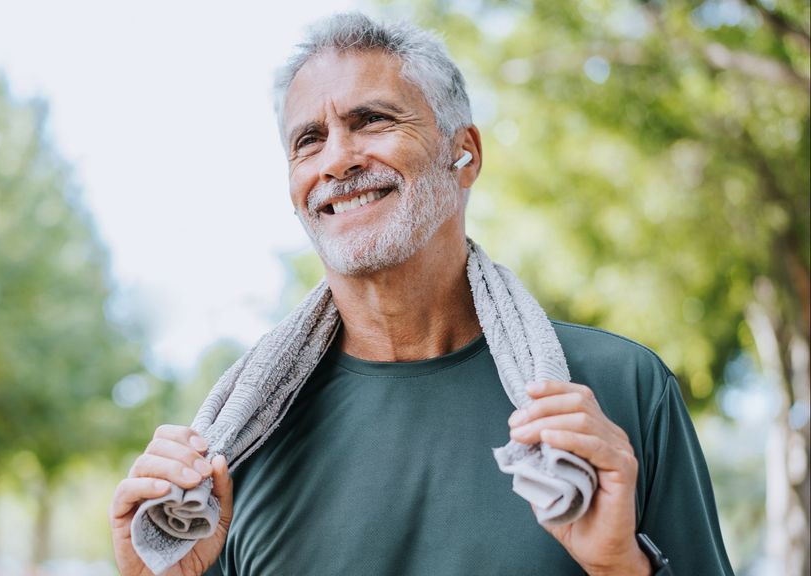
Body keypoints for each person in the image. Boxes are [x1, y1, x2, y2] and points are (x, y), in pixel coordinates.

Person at [110, 12, 733, 576]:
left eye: (371, 120)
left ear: (463, 153)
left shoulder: (615, 394)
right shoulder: (230, 448)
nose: (337, 160)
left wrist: (622, 566)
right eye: (308, 141)